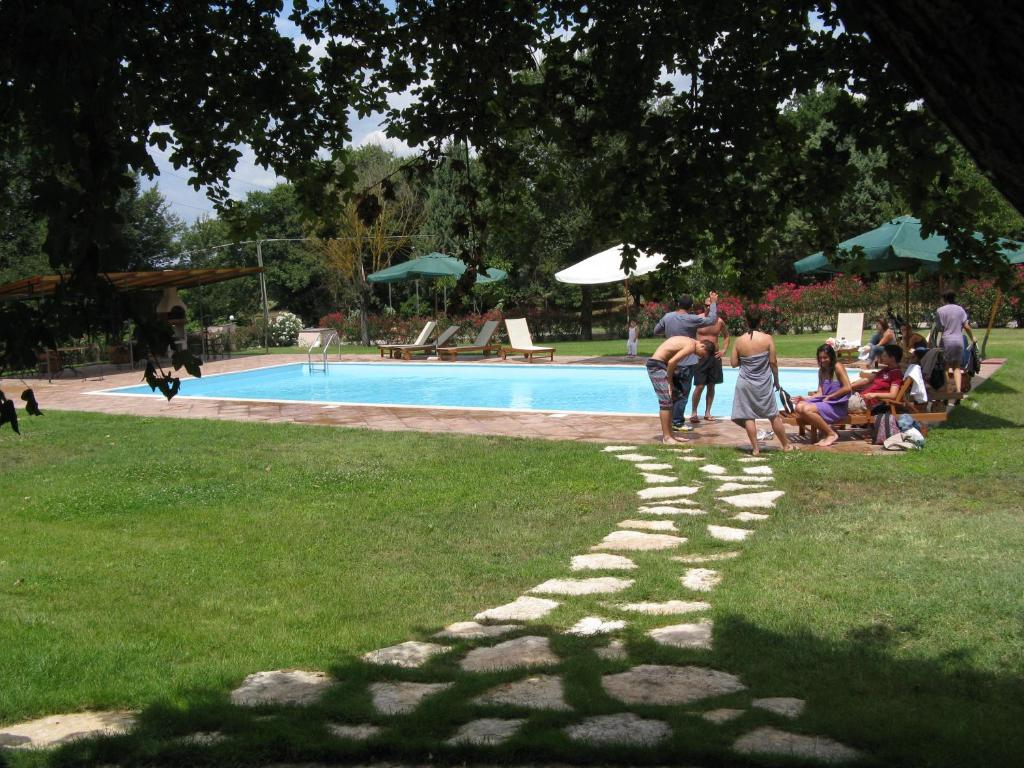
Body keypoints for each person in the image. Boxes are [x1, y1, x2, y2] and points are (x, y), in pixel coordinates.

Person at [729, 307, 793, 455]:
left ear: (745, 321)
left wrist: (746, 362)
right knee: (773, 415)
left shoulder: (739, 341)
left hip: (744, 383)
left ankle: (756, 449)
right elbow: (773, 362)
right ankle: (786, 446)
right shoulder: (767, 339)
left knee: (748, 416)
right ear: (761, 321)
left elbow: (733, 363)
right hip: (763, 383)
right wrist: (776, 381)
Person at [653, 291, 720, 430]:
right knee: (683, 393)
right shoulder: (692, 319)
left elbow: (656, 330)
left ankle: (670, 420)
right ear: (691, 306)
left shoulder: (668, 317)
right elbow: (712, 319)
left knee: (671, 392)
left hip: (670, 359)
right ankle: (677, 422)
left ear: (678, 304)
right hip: (687, 361)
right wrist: (713, 303)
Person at [646, 337, 717, 444]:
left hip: (662, 365)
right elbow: (672, 361)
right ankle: (666, 437)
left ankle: (671, 435)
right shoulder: (691, 345)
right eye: (702, 354)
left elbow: (672, 361)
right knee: (666, 401)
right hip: (656, 365)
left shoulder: (690, 342)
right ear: (702, 346)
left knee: (670, 400)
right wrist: (669, 382)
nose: (699, 357)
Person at [792, 343, 853, 447]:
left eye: (825, 357)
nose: (822, 360)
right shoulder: (821, 371)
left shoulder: (837, 367)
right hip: (826, 402)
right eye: (820, 358)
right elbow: (820, 393)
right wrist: (805, 398)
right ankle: (826, 431)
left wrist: (832, 396)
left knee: (807, 410)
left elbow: (848, 387)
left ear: (831, 357)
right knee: (799, 406)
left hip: (837, 405)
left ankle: (831, 434)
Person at [688, 300, 730, 424]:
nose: (708, 307)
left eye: (710, 305)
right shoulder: (698, 320)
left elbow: (726, 336)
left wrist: (724, 350)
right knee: (700, 386)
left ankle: (707, 412)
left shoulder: (719, 321)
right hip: (700, 356)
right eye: (706, 305)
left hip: (714, 357)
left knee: (711, 385)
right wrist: (693, 350)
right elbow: (689, 335)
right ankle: (694, 412)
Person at [933, 291, 975, 398]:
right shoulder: (960, 309)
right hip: (959, 340)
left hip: (946, 340)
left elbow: (939, 328)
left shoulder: (940, 310)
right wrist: (972, 337)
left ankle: (948, 390)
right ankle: (958, 391)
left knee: (946, 367)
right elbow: (966, 326)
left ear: (944, 299)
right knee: (957, 367)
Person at [849, 344, 904, 412]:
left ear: (892, 358)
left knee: (836, 403)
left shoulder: (896, 374)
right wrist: (849, 386)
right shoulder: (886, 370)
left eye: (884, 356)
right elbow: (867, 380)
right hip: (860, 397)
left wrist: (874, 395)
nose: (881, 357)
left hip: (867, 403)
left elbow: (893, 395)